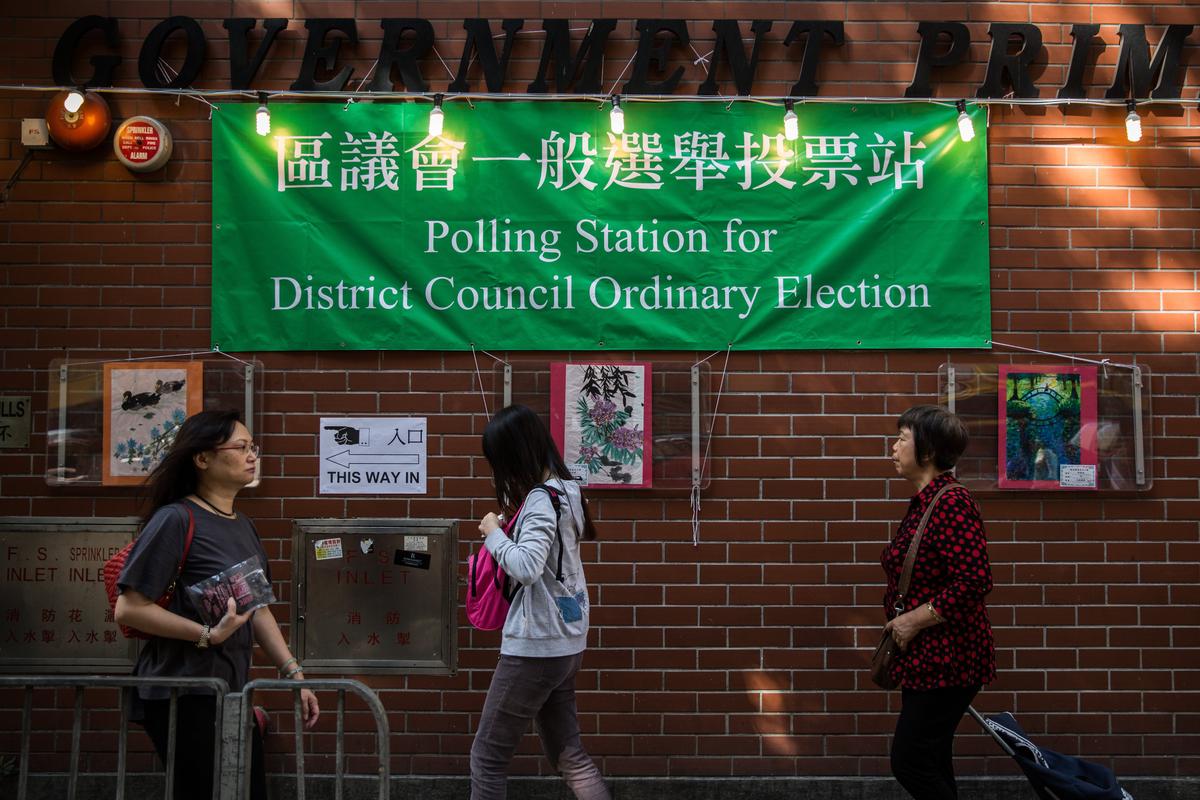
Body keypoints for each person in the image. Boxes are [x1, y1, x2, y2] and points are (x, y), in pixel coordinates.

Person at [114, 409, 319, 800]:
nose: (251, 455)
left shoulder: (242, 524)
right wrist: (207, 634)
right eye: (240, 447)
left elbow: (257, 608)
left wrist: (294, 675)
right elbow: (129, 608)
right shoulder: (175, 519)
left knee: (247, 790)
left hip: (230, 691)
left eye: (252, 446)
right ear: (203, 458)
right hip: (183, 693)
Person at [470, 404, 610, 800]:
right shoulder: (569, 491)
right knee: (570, 755)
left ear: (514, 454)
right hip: (566, 641)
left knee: (487, 757)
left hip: (535, 645)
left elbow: (528, 567)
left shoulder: (539, 498)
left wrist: (493, 532)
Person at [883, 405, 996, 800]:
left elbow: (974, 579)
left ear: (927, 451)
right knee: (930, 759)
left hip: (949, 659)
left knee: (910, 760)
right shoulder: (925, 503)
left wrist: (914, 620)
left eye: (902, 439)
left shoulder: (951, 503)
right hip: (928, 659)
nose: (893, 448)